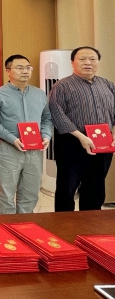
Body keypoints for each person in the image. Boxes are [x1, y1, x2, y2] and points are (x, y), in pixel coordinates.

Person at [49, 46, 115, 211]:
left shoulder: (108, 84)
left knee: (95, 187)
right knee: (67, 187)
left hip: (103, 143)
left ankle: (90, 222)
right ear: (72, 62)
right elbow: (57, 113)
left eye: (92, 59)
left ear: (98, 62)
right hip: (72, 142)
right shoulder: (61, 86)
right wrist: (81, 137)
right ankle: (64, 223)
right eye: (82, 59)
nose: (88, 63)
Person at [0, 54, 52, 214]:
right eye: (20, 68)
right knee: (6, 193)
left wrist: (46, 135)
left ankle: (25, 224)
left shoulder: (40, 94)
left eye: (28, 68)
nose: (25, 71)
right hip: (8, 149)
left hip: (35, 150)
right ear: (8, 71)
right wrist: (12, 139)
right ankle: (8, 225)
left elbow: (47, 118)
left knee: (30, 192)